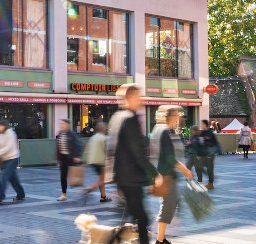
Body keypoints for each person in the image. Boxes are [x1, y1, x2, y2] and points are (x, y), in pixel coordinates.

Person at [110, 83, 157, 243]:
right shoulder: (130, 119)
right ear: (130, 98)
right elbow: (137, 152)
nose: (141, 100)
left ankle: (114, 240)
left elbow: (112, 149)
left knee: (130, 216)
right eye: (138, 97)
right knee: (142, 218)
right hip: (132, 178)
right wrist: (154, 173)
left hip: (124, 178)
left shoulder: (117, 117)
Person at [152, 105, 196, 244]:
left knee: (170, 205)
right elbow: (169, 157)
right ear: (170, 117)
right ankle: (159, 239)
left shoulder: (167, 131)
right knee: (167, 206)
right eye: (177, 115)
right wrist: (185, 170)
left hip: (169, 175)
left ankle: (161, 237)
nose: (179, 117)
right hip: (166, 175)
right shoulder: (165, 132)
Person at [54, 119, 84, 202]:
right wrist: (58, 159)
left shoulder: (72, 134)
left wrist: (77, 156)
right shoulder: (60, 133)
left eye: (63, 124)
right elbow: (58, 147)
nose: (61, 125)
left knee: (75, 175)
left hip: (71, 158)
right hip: (63, 158)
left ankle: (83, 190)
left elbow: (80, 145)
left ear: (67, 125)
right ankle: (64, 194)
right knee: (63, 176)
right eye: (60, 124)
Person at [81, 121, 111, 203]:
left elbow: (87, 149)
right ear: (104, 129)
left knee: (101, 179)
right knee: (102, 180)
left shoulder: (93, 137)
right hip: (100, 161)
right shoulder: (104, 138)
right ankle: (89, 189)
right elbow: (108, 151)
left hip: (92, 161)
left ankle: (103, 197)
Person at [192, 120, 218, 190]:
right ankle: (200, 181)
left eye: (202, 124)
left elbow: (215, 143)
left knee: (210, 169)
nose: (201, 125)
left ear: (205, 125)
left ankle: (210, 184)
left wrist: (207, 142)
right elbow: (200, 143)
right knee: (198, 166)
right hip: (203, 154)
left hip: (210, 153)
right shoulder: (202, 133)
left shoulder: (210, 133)